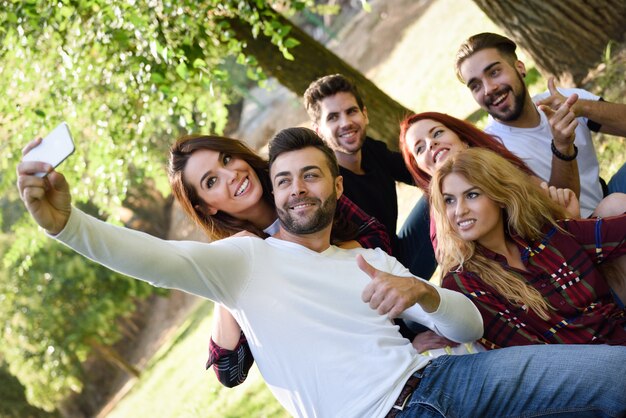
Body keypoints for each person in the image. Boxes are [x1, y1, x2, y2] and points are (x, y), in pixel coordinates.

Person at [17, 127, 626, 417]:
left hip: (452, 379)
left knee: (613, 378)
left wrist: (425, 294)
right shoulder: (243, 263)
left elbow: (468, 327)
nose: (297, 188)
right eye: (286, 180)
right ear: (274, 195)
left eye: (311, 175)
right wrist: (67, 226)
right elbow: (152, 258)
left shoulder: (365, 254)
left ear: (335, 185)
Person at [168, 134, 393, 387]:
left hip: (387, 300)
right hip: (345, 362)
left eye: (227, 159)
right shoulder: (241, 257)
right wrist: (223, 278)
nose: (231, 174)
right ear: (207, 207)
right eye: (211, 181)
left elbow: (380, 242)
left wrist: (315, 253)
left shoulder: (295, 184)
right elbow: (231, 372)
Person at [399, 111, 626, 303]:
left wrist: (569, 219)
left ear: (462, 139)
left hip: (568, 260)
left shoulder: (504, 168)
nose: (431, 144)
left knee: (614, 205)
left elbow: (561, 225)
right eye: (419, 149)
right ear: (422, 170)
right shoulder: (446, 221)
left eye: (437, 133)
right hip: (527, 297)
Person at [430, 147, 626, 349]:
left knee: (617, 203)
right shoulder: (462, 281)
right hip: (585, 371)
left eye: (472, 195)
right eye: (449, 201)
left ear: (500, 195)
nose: (459, 211)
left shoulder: (542, 233)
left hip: (618, 332)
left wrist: (572, 220)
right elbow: (534, 358)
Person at [454, 32, 626, 218]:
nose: (489, 89)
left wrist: (582, 108)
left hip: (608, 197)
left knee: (614, 202)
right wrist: (562, 146)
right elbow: (561, 214)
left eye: (494, 72)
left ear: (520, 68)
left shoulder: (561, 99)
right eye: (476, 86)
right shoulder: (492, 150)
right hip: (580, 233)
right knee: (614, 205)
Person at [303, 74, 437, 281]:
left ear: (364, 114)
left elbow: (420, 173)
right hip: (381, 279)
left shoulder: (372, 150)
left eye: (351, 111)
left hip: (399, 253)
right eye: (333, 117)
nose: (346, 123)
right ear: (319, 131)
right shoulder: (328, 186)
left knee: (441, 187)